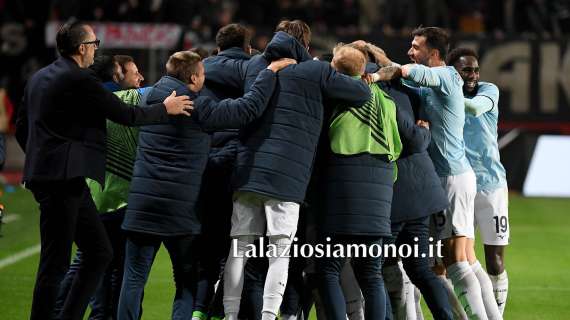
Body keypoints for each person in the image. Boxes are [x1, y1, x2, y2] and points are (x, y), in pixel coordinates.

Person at [15, 20, 192, 320]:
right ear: (82, 48)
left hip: (58, 178)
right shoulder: (79, 79)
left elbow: (22, 127)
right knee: (56, 264)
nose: (97, 51)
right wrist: (166, 109)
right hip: (62, 180)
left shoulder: (39, 77)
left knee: (97, 252)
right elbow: (125, 114)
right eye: (94, 44)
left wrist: (41, 157)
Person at [117, 50, 295, 320]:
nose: (205, 79)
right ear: (192, 77)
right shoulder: (195, 106)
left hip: (142, 205)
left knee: (133, 279)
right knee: (186, 282)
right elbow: (247, 108)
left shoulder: (152, 97)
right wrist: (269, 72)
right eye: (202, 74)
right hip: (179, 210)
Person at [219, 20, 371, 320]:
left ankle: (230, 315)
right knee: (280, 253)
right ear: (305, 44)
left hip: (249, 170)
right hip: (287, 178)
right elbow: (360, 94)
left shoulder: (254, 67)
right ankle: (268, 315)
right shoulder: (316, 70)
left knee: (238, 250)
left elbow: (217, 70)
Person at [369, 27, 492, 319]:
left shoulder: (447, 76)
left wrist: (374, 75)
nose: (411, 51)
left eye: (416, 46)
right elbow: (400, 73)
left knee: (456, 260)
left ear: (433, 53)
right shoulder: (430, 85)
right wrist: (375, 56)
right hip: (442, 179)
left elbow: (407, 71)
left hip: (452, 176)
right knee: (446, 263)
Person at [54, 54, 148, 320]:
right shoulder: (127, 101)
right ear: (117, 76)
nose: (140, 78)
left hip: (90, 197)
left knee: (88, 263)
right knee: (118, 267)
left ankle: (61, 313)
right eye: (134, 72)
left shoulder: (83, 102)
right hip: (121, 200)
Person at [317, 44, 402, 320]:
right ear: (364, 69)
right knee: (371, 273)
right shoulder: (387, 100)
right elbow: (396, 149)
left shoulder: (333, 95)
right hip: (380, 192)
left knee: (329, 268)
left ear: (334, 70)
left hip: (342, 187)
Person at [193, 23, 254, 320]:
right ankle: (226, 311)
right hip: (242, 164)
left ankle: (199, 311)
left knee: (208, 245)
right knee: (242, 246)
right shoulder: (256, 70)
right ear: (247, 47)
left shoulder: (199, 71)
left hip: (205, 163)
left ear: (218, 47)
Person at [448, 47, 509, 317]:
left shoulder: (489, 90)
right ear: (454, 72)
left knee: (494, 262)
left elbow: (472, 109)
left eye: (475, 69)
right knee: (458, 259)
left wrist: (445, 92)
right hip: (461, 184)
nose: (472, 75)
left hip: (492, 184)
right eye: (466, 70)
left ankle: (498, 314)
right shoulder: (447, 91)